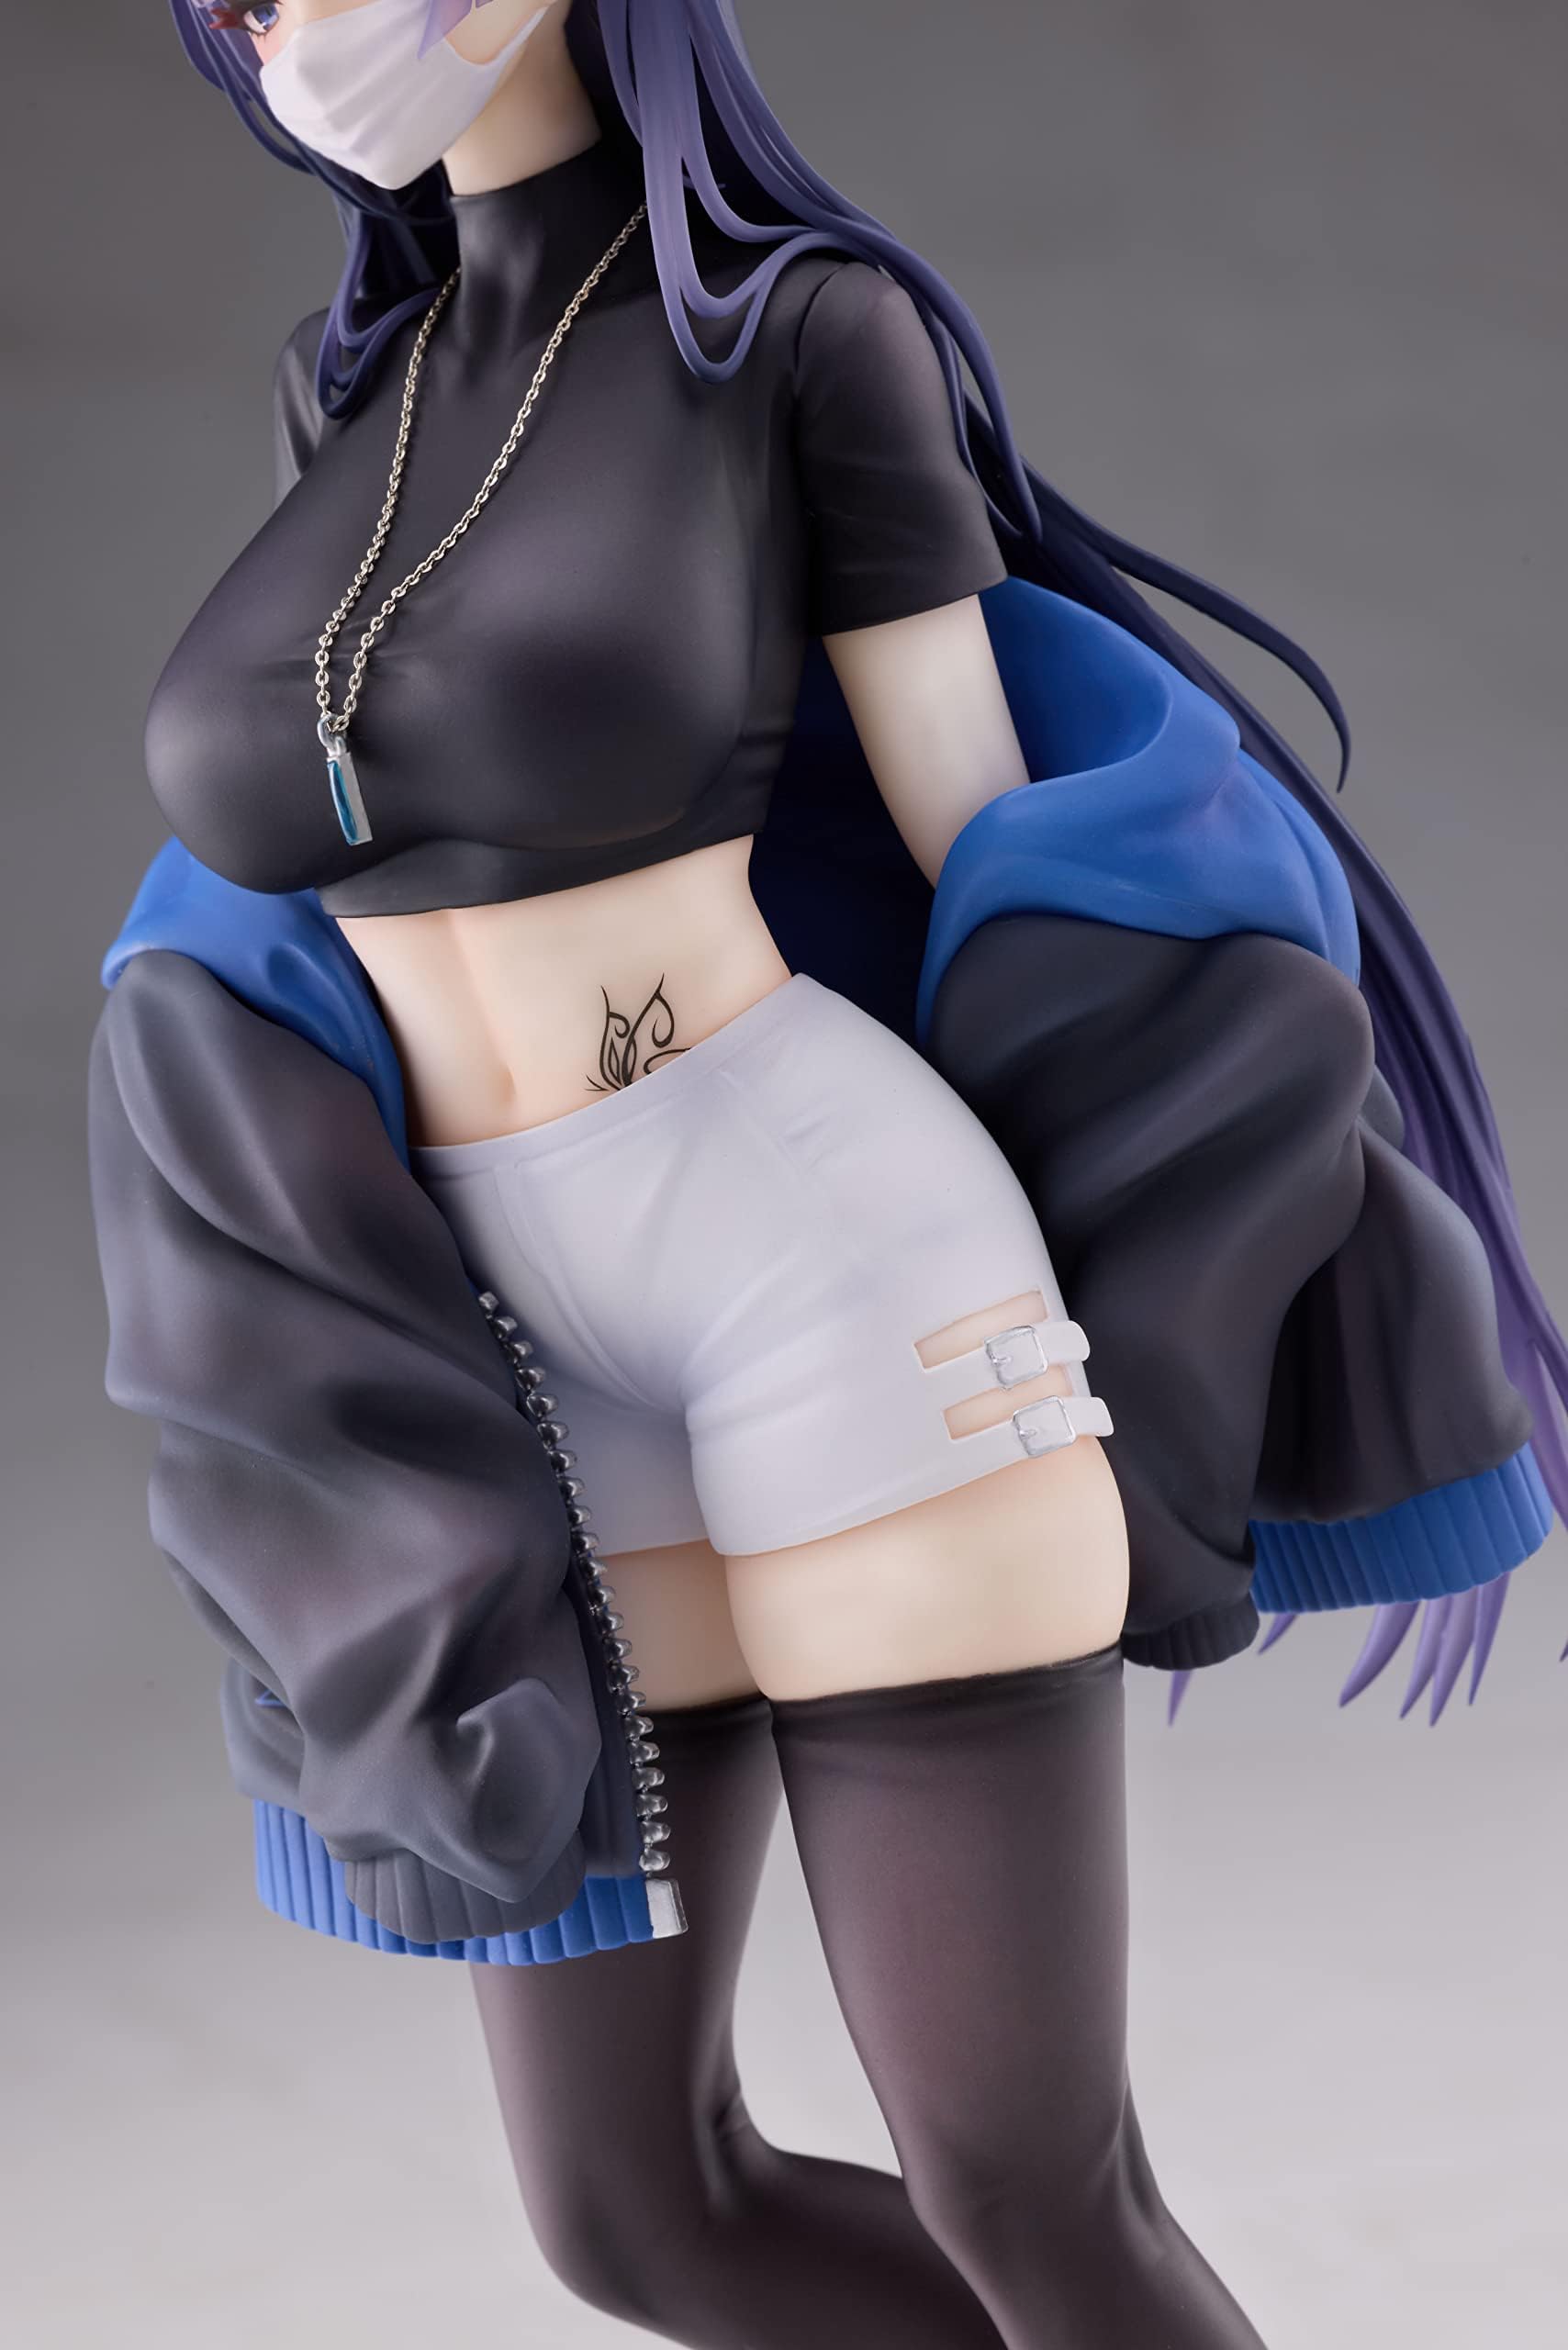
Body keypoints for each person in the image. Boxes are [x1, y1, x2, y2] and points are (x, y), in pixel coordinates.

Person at [85, 5, 1564, 2344]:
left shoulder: (794, 335)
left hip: (812, 1249)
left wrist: (1144, 1254)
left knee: (1027, 2190)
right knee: (633, 2211)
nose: (292, 23)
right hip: (518, 1331)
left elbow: (990, 835)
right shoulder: (346, 389)